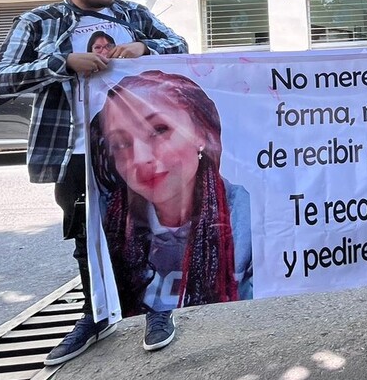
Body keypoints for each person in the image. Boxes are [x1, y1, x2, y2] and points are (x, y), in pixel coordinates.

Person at [0, 0, 189, 365]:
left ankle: (157, 312)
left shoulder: (132, 15)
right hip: (74, 151)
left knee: (147, 230)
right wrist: (62, 63)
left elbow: (180, 45)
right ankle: (95, 316)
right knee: (86, 239)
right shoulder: (39, 22)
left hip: (135, 146)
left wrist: (144, 49)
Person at [91, 71, 252, 318]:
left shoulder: (250, 218)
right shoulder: (108, 221)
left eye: (159, 129)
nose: (141, 158)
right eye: (121, 144)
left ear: (201, 133)